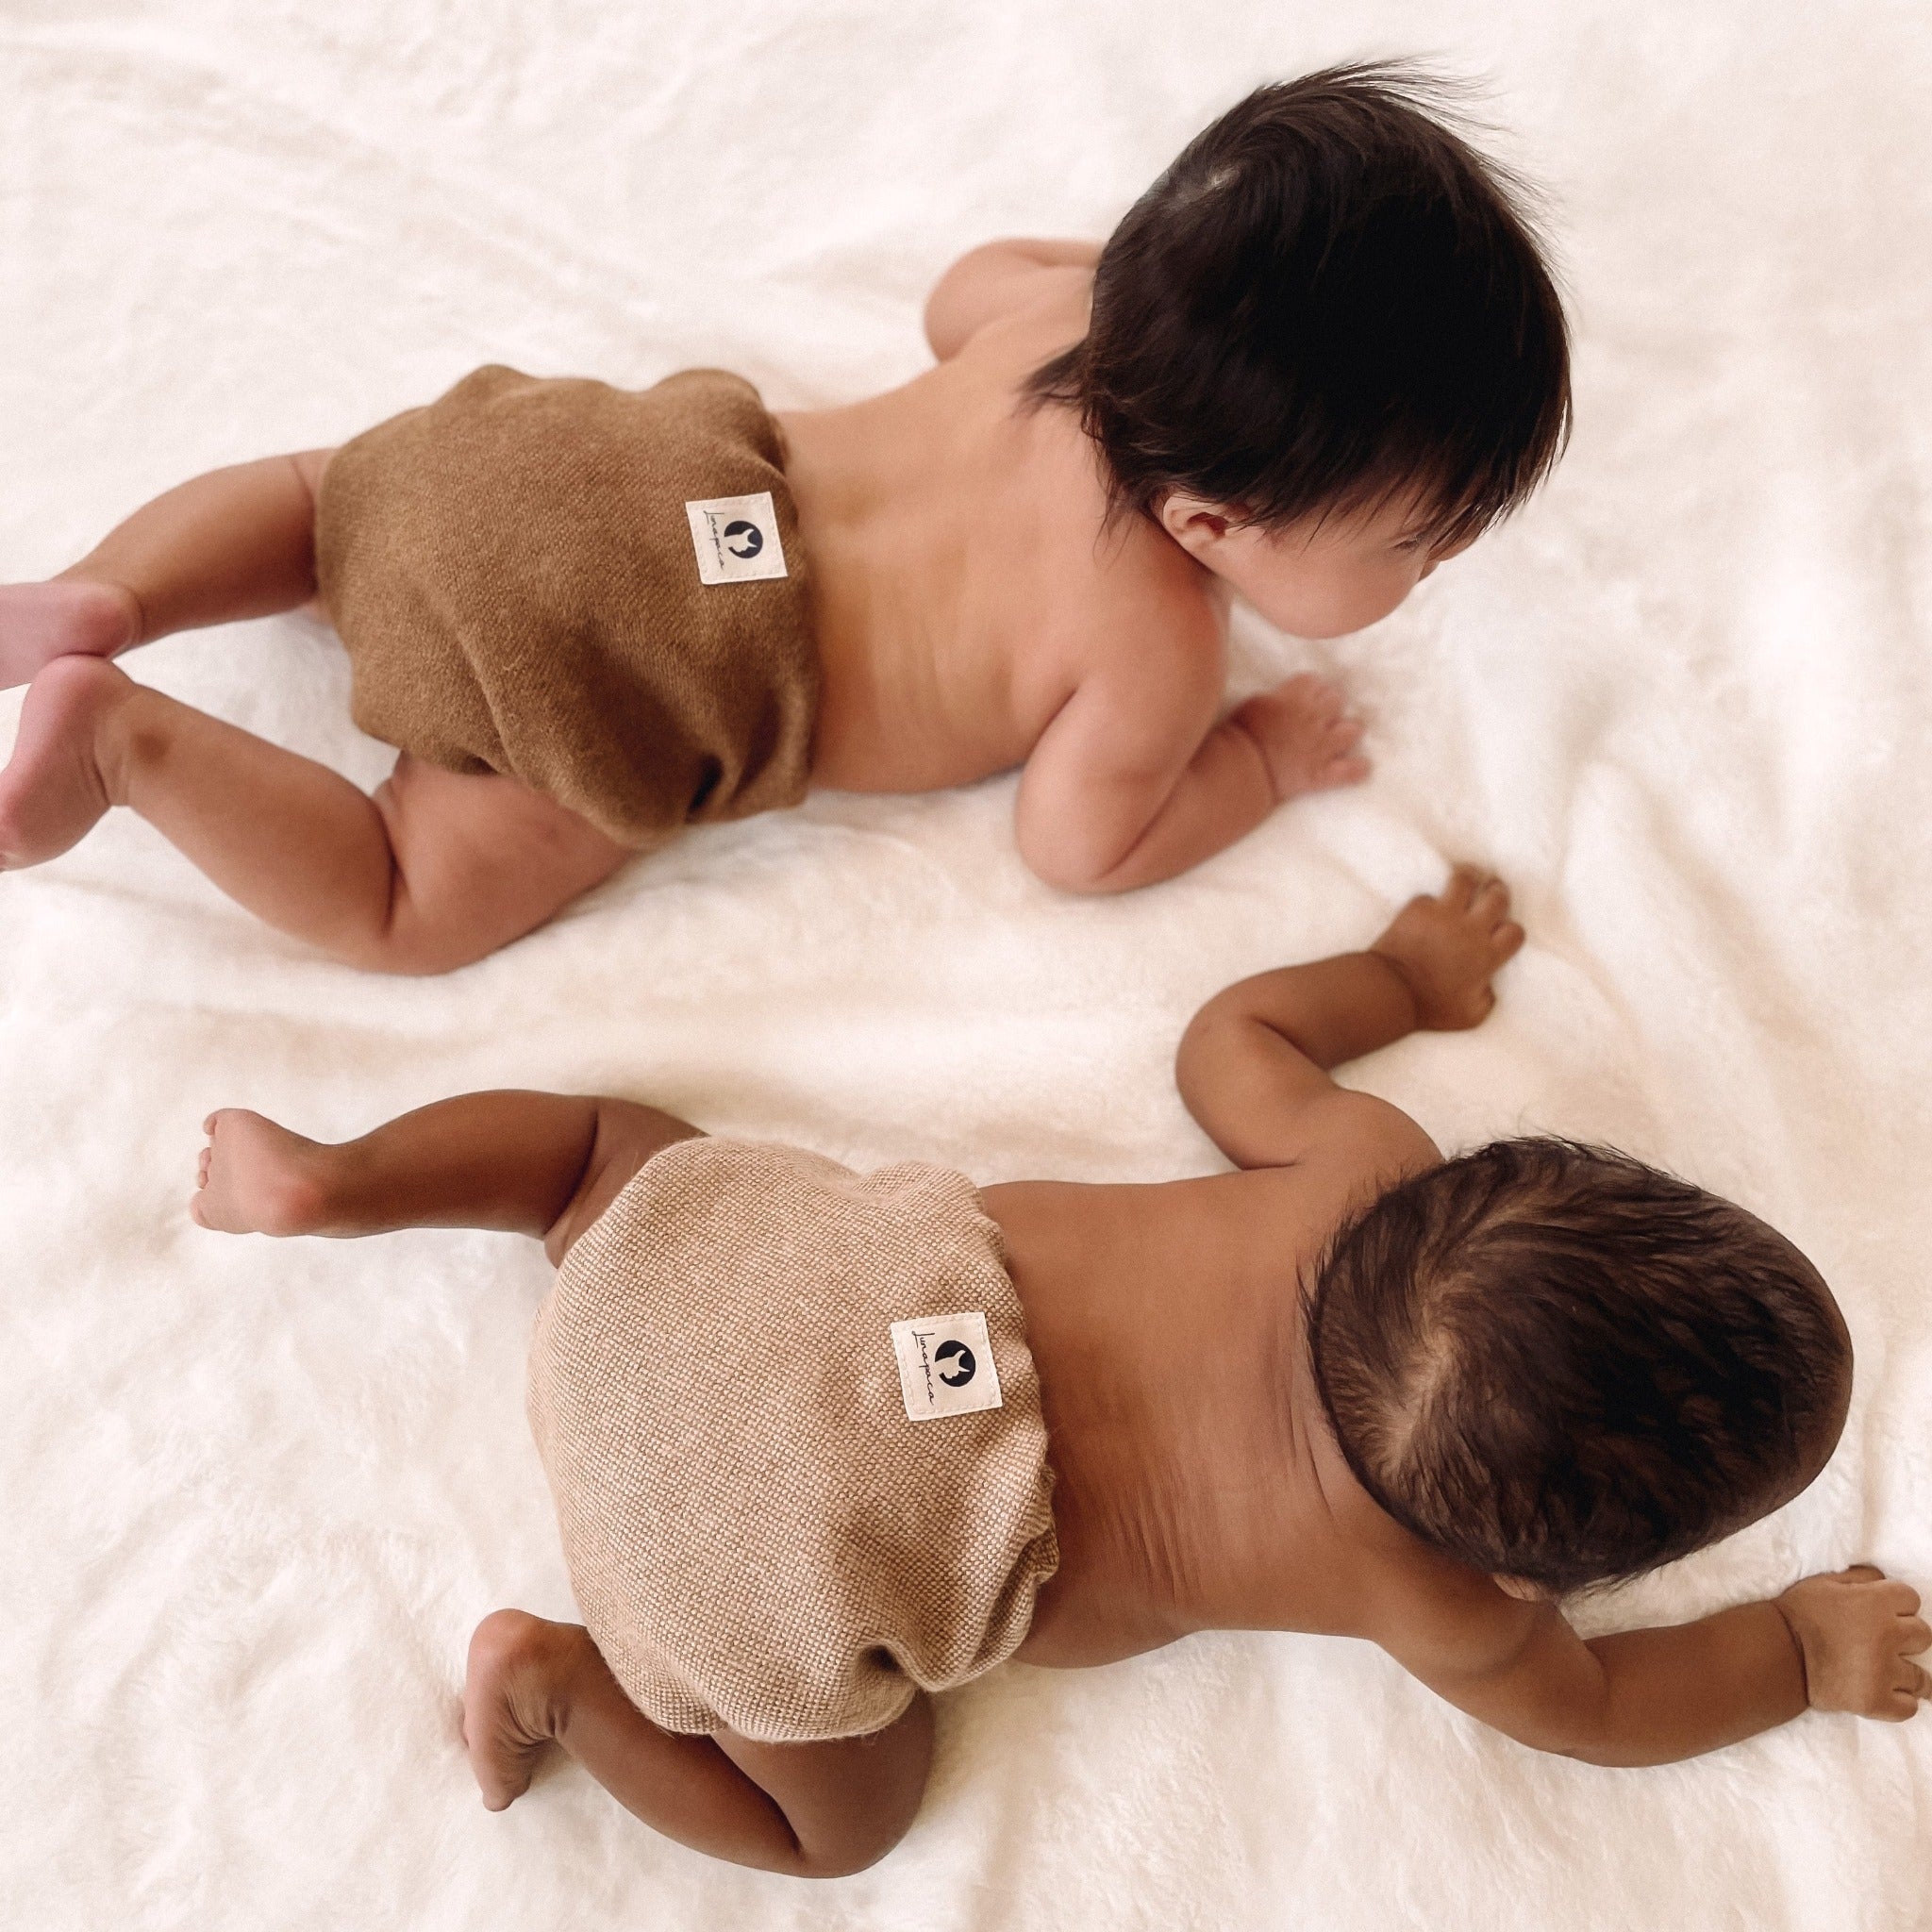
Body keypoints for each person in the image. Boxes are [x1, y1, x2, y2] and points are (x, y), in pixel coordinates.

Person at [188, 867, 1924, 1876]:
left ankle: (337, 1180)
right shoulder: (1443, 1605)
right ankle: (563, 1683)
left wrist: (1394, 977)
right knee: (837, 1837)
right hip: (747, 1593)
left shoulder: (1359, 1166)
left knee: (604, 1156)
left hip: (688, 1297)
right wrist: (1794, 1650)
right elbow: (1609, 1718)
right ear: (1533, 1564)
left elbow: (1226, 1039)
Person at [0, 66, 1570, 971]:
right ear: (1220, 526)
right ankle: (127, 743)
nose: (1437, 569)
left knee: (318, 500)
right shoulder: (1152, 647)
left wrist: (1163, 296)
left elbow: (961, 283)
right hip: (662, 660)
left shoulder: (1058, 320)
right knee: (406, 905)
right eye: (1416, 544)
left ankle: (104, 598)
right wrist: (1257, 762)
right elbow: (1080, 847)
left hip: (586, 470)